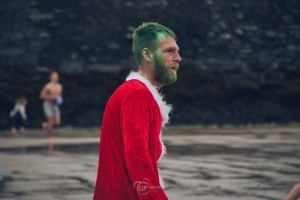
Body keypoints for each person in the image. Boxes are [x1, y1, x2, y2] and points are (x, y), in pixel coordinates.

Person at [93, 22, 182, 200]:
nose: (178, 58)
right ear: (147, 54)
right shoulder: (136, 94)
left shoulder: (136, 92)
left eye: (178, 51)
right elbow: (137, 159)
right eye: (169, 51)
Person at [40, 71, 63, 144]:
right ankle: (50, 138)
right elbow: (41, 96)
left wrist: (61, 100)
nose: (55, 78)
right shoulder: (48, 86)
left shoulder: (60, 86)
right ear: (51, 77)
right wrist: (50, 97)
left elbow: (60, 96)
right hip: (48, 104)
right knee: (50, 119)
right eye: (54, 77)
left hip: (55, 104)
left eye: (56, 77)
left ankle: (45, 125)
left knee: (57, 122)